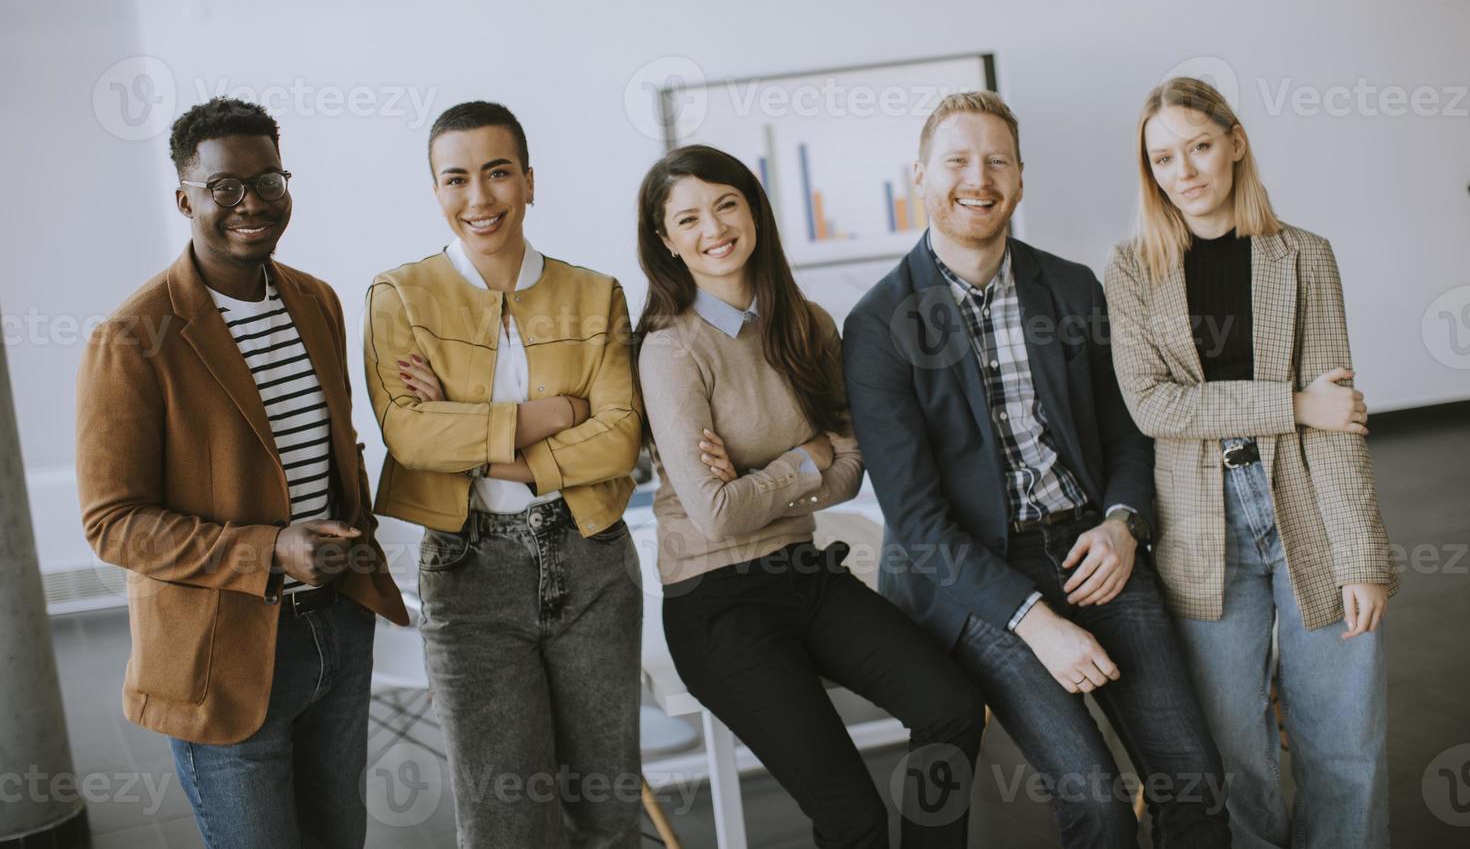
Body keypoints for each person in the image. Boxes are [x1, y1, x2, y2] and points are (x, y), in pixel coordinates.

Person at [843, 91, 1232, 848]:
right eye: (956, 161)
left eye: (997, 161)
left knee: (1195, 785)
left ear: (1020, 179)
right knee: (1099, 805)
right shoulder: (876, 326)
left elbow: (1126, 435)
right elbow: (919, 526)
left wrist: (1124, 525)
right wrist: (1036, 622)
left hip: (1096, 548)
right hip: (978, 579)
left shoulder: (1074, 287)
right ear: (920, 176)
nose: (977, 178)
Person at [75, 97, 409, 849]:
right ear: (185, 197)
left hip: (336, 629)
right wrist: (269, 551)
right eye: (225, 187)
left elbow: (332, 452)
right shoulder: (132, 337)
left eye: (269, 181)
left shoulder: (316, 300)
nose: (251, 203)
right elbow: (112, 523)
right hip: (219, 655)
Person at [635, 144, 985, 849]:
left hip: (804, 576)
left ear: (754, 211)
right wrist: (806, 456)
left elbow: (854, 469)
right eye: (689, 218)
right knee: (853, 819)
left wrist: (762, 476)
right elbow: (716, 513)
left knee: (951, 707)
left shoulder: (808, 325)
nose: (714, 228)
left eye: (727, 204)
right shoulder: (671, 350)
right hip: (717, 604)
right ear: (666, 242)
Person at [1105, 76, 1395, 849]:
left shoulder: (1305, 256)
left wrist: (1362, 555)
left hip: (1308, 499)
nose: (1185, 170)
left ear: (1235, 143)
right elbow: (1155, 408)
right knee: (1234, 755)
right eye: (1163, 158)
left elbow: (1339, 419)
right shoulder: (1132, 269)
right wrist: (1292, 406)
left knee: (1345, 743)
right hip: (1200, 526)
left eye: (1199, 146)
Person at [363, 101, 643, 848]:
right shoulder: (399, 297)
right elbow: (408, 434)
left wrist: (478, 436)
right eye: (456, 179)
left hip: (591, 558)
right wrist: (554, 412)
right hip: (467, 567)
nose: (479, 198)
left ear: (528, 181)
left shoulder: (595, 293)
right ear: (436, 192)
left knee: (608, 811)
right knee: (501, 821)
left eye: (497, 173)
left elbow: (618, 441)